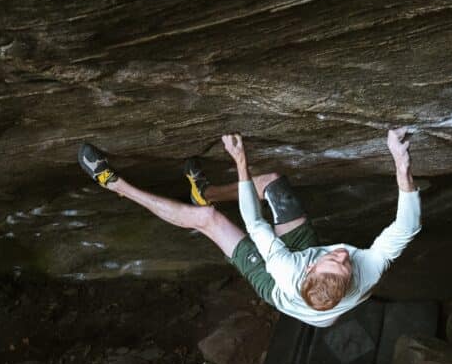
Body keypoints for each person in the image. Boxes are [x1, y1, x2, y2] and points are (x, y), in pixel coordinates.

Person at [77, 128, 420, 327]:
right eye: (343, 262)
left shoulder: (286, 270)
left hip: (277, 290)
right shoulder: (365, 268)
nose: (344, 255)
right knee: (272, 184)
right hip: (314, 298)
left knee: (209, 220)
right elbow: (407, 226)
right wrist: (400, 164)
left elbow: (255, 224)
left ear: (311, 265)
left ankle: (115, 185)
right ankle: (206, 192)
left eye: (339, 262)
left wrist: (240, 160)